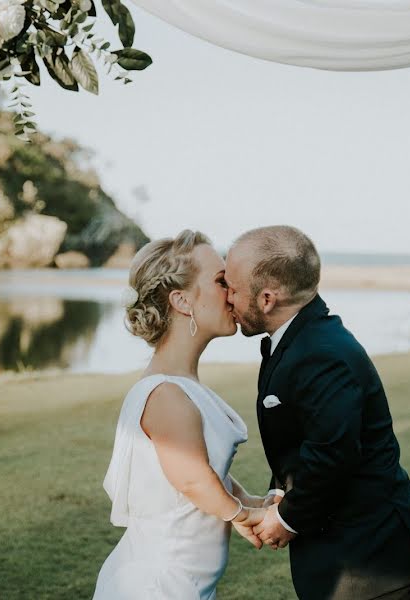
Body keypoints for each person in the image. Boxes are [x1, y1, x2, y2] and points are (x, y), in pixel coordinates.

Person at [223, 225, 410, 600]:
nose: (226, 298)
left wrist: (287, 517)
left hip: (366, 558)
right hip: (343, 550)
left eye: (233, 288)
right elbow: (304, 436)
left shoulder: (323, 354)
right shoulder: (298, 339)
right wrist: (280, 490)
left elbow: (333, 452)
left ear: (267, 299)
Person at [94, 229, 274, 600]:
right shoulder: (166, 395)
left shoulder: (182, 386)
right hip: (156, 586)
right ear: (181, 300)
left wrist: (253, 500)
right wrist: (241, 515)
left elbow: (210, 469)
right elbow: (193, 480)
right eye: (221, 280)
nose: (233, 291)